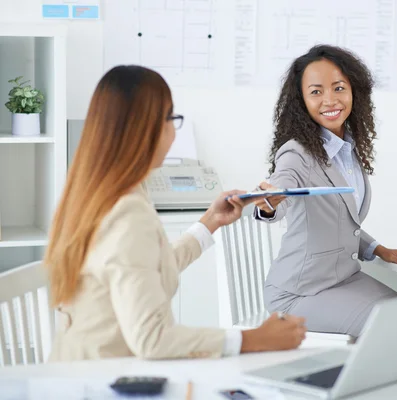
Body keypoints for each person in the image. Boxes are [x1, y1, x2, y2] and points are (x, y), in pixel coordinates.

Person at [44, 65, 306, 361]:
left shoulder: (94, 194)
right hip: (104, 378)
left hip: (77, 365)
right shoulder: (128, 213)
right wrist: (253, 338)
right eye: (171, 117)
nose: (172, 129)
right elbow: (152, 339)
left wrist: (210, 223)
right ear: (145, 128)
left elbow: (147, 266)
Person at [254, 45, 397, 337]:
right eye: (316, 92)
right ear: (301, 101)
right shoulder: (296, 152)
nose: (330, 100)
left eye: (338, 88)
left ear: (354, 91)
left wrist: (379, 250)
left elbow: (341, 223)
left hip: (345, 280)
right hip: (300, 293)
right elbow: (281, 185)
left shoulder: (347, 149)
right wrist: (270, 201)